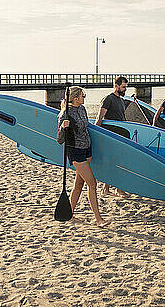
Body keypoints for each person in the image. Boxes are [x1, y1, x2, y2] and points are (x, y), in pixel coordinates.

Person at [57, 86, 108, 227]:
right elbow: (60, 139)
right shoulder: (65, 115)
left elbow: (86, 127)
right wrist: (63, 127)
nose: (84, 97)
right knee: (92, 183)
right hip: (75, 151)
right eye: (82, 95)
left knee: (79, 184)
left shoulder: (82, 109)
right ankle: (99, 219)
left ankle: (70, 214)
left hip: (87, 148)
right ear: (74, 98)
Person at [95, 76, 129, 197]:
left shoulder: (120, 100)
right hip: (111, 136)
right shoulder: (108, 99)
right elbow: (99, 118)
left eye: (126, 87)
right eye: (123, 87)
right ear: (116, 85)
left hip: (120, 136)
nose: (125, 89)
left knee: (114, 162)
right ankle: (118, 189)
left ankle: (106, 188)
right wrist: (96, 135)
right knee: (117, 163)